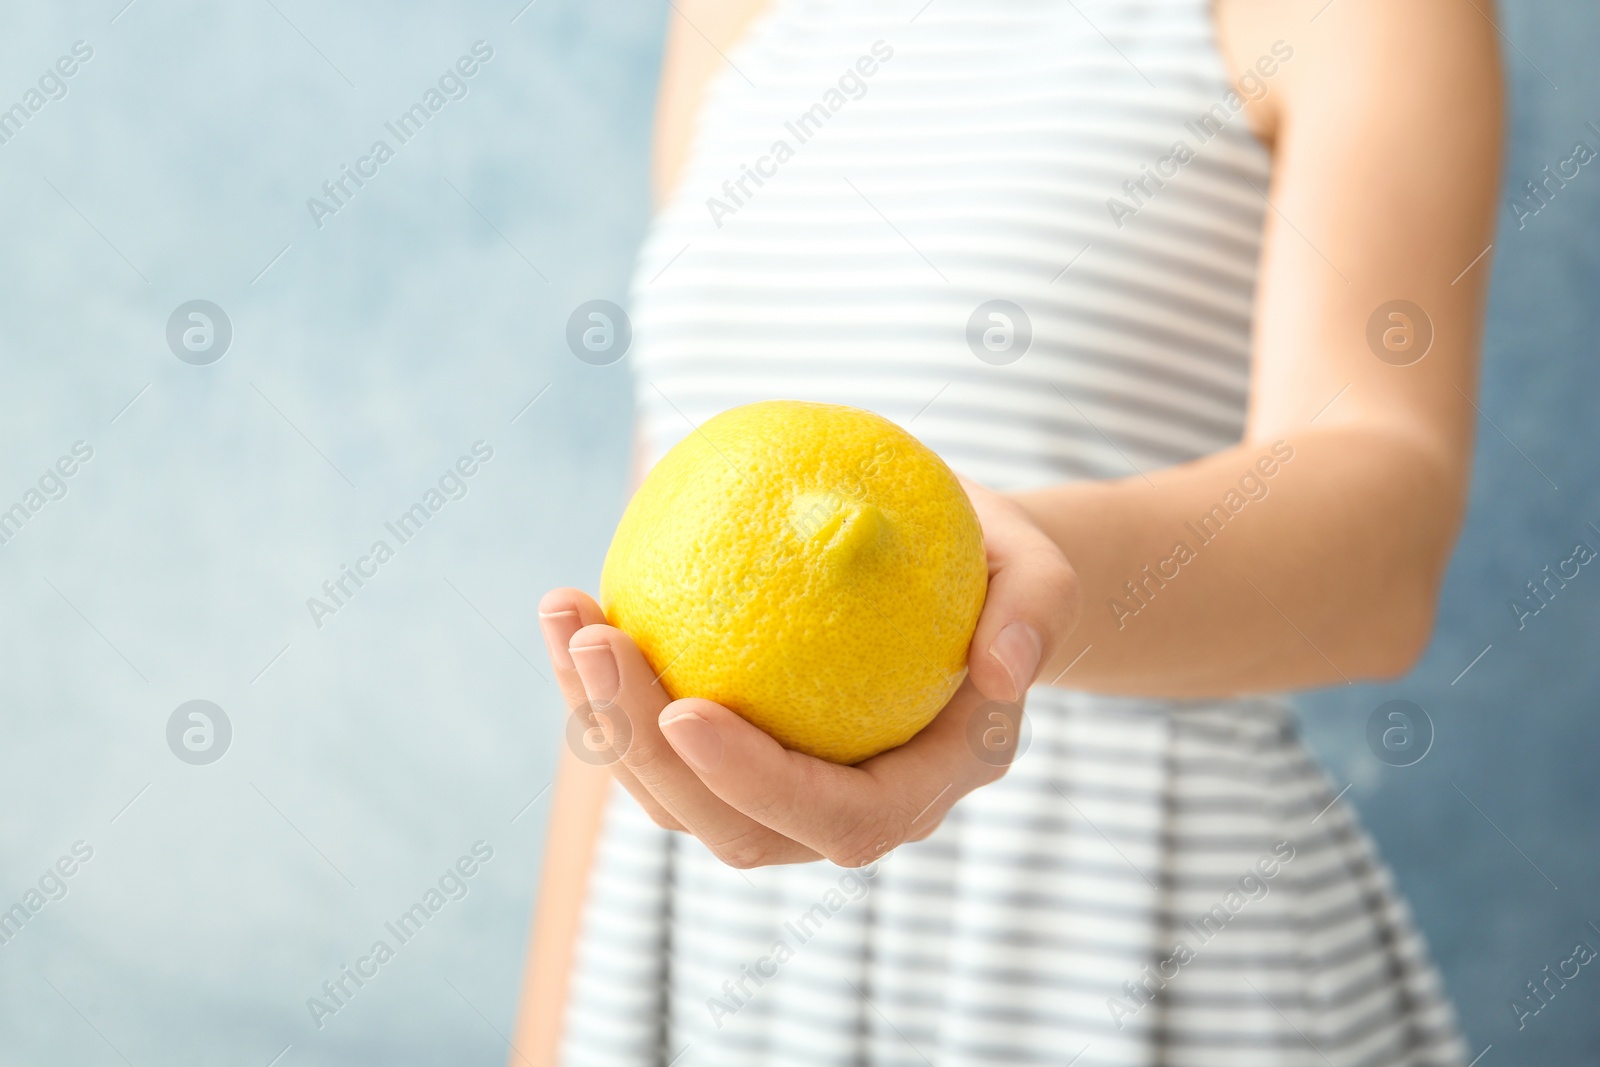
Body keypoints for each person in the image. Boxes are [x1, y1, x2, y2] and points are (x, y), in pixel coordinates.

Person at [515, 0, 1501, 1062]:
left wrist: (1014, 577)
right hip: (707, 957)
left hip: (1130, 933)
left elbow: (1384, 535)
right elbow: (642, 597)